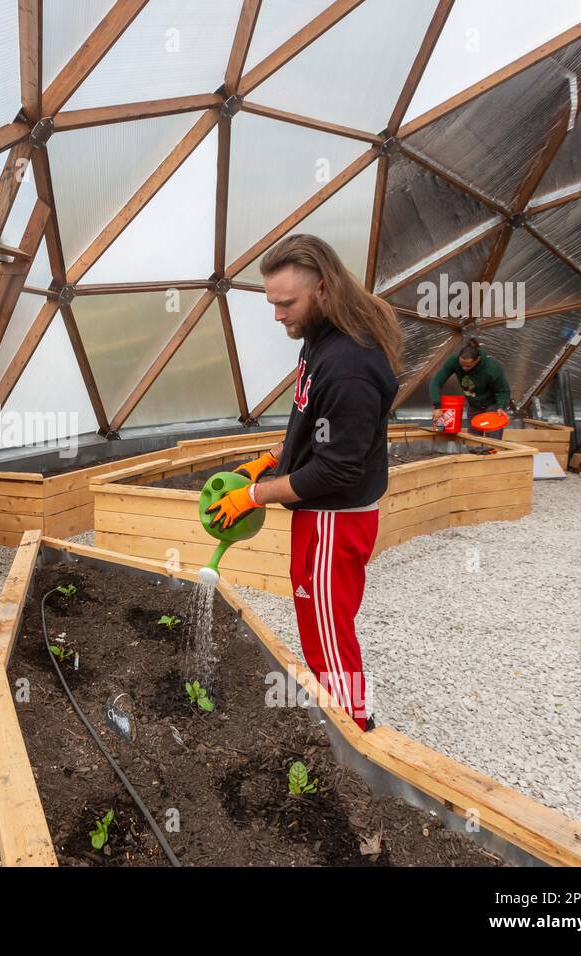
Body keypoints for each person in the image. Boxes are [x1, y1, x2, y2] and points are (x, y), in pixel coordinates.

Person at [206, 234, 400, 732]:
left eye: (286, 303)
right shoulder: (320, 338)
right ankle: (338, 717)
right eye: (273, 303)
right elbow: (314, 426)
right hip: (320, 519)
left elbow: (337, 469)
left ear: (323, 288)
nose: (278, 316)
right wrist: (268, 460)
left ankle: (355, 730)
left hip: (334, 522)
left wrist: (253, 495)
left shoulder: (350, 365)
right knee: (319, 626)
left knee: (329, 633)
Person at [428, 338, 511, 439]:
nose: (464, 368)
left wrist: (500, 406)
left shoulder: (491, 368)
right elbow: (436, 382)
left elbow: (502, 390)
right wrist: (437, 406)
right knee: (472, 439)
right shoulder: (454, 361)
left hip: (492, 404)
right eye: (461, 365)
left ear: (478, 360)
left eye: (468, 366)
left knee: (492, 440)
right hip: (474, 404)